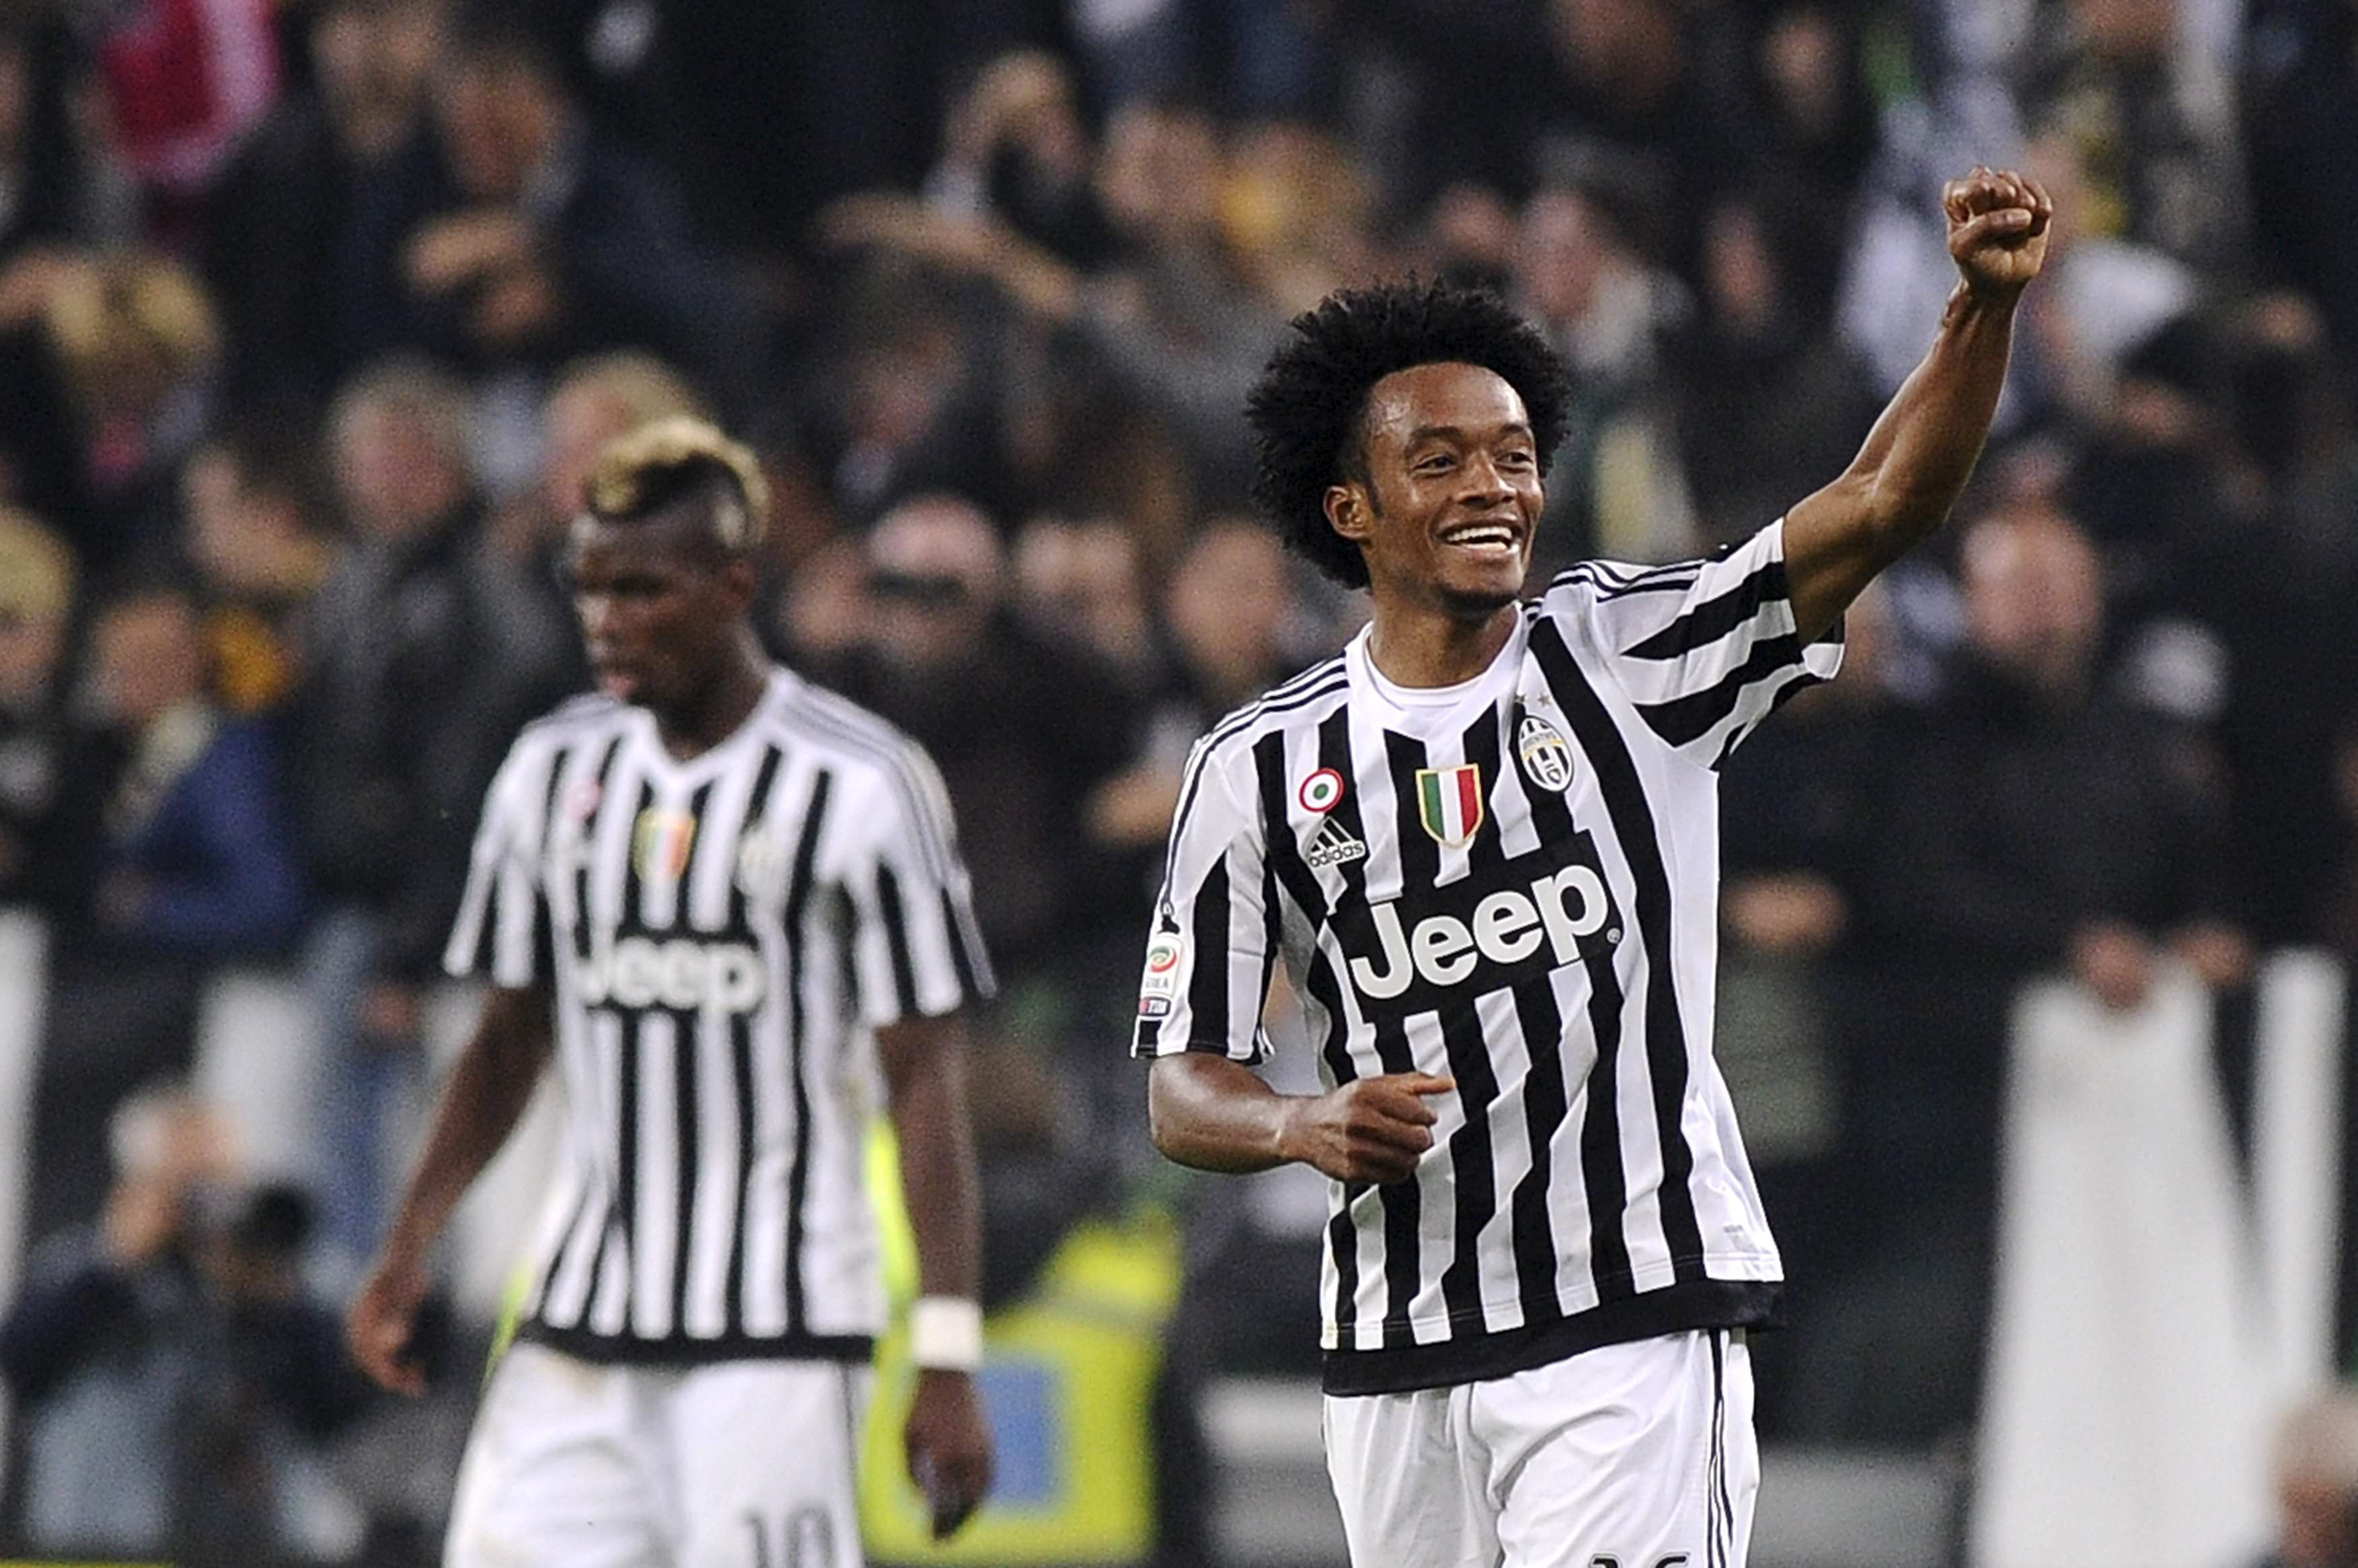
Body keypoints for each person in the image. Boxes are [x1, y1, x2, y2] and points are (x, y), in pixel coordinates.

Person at [1132, 166, 2051, 1567]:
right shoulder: (1252, 770)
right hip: (1397, 1344)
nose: (1491, 484)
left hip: (1629, 1317)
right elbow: (1184, 1081)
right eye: (1437, 460)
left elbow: (1880, 501)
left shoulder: (1632, 655)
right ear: (1349, 511)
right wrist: (1294, 1125)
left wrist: (1977, 314)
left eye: (1510, 452)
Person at [345, 417, 996, 1563]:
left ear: (733, 586)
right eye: (590, 588)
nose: (606, 620)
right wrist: (408, 1248)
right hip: (580, 1319)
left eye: (641, 589)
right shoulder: (552, 770)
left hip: (780, 1329)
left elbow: (924, 1080)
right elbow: (506, 1043)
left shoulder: (863, 784)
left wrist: (945, 1353)